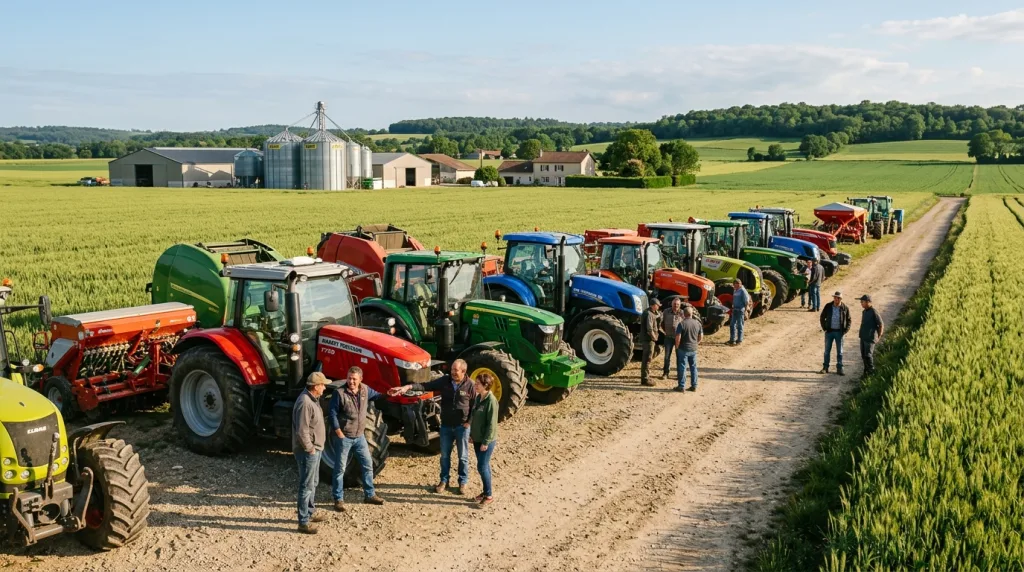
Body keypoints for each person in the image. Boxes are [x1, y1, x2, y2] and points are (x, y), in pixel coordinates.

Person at [390, 359, 478, 494]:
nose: (453, 372)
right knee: (444, 456)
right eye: (452, 369)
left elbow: (475, 406)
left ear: (464, 371)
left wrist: (469, 423)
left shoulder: (470, 385)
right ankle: (444, 481)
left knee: (463, 457)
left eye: (456, 370)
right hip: (447, 426)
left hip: (462, 427)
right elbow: (426, 386)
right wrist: (407, 387)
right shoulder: (445, 381)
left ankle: (463, 482)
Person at [327, 366, 386, 511]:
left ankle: (369, 495)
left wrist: (389, 393)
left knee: (367, 465)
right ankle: (338, 499)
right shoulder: (339, 393)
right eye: (349, 378)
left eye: (354, 379)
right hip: (344, 437)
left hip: (360, 438)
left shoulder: (365, 390)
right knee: (340, 469)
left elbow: (377, 396)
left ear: (360, 379)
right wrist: (338, 432)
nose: (351, 381)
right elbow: (332, 413)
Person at [292, 372, 329, 534]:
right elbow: (302, 430)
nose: (325, 387)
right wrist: (310, 448)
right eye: (323, 385)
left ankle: (310, 512)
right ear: (315, 387)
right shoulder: (305, 402)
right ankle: (303, 522)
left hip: (316, 448)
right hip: (309, 451)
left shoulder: (312, 399)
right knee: (306, 485)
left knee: (313, 482)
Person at [470, 372, 499, 505]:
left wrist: (486, 442)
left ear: (485, 385)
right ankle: (485, 491)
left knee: (482, 466)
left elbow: (492, 424)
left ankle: (488, 496)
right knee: (483, 466)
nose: (475, 385)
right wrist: (472, 434)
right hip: (477, 439)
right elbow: (475, 417)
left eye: (478, 384)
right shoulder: (478, 398)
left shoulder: (491, 402)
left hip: (485, 441)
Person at [819, 291, 852, 375]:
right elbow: (822, 317)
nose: (835, 299)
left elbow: (849, 320)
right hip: (829, 332)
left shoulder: (845, 308)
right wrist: (824, 328)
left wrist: (845, 331)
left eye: (837, 298)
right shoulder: (828, 306)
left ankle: (840, 368)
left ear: (840, 299)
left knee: (839, 351)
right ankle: (825, 367)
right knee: (827, 351)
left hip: (839, 333)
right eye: (834, 297)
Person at [674, 306, 703, 392]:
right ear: (692, 314)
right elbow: (701, 336)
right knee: (693, 367)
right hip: (693, 348)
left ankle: (681, 386)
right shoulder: (698, 323)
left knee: (682, 367)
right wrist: (696, 343)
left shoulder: (681, 324)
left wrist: (677, 346)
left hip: (683, 348)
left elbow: (678, 337)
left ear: (684, 314)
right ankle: (694, 385)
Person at [858, 294, 884, 374]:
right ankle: (866, 372)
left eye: (862, 301)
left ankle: (871, 372)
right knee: (863, 356)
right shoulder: (864, 311)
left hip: (870, 338)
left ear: (868, 302)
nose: (861, 303)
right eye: (861, 301)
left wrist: (878, 336)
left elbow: (881, 324)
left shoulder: (874, 311)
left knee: (868, 356)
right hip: (863, 337)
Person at [638, 298, 662, 387]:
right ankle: (645, 379)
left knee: (647, 358)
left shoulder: (650, 312)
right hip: (648, 340)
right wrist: (654, 338)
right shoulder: (648, 314)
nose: (658, 307)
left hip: (649, 339)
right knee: (647, 359)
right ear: (653, 305)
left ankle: (646, 377)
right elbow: (649, 329)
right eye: (657, 305)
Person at [661, 298, 685, 379]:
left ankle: (679, 374)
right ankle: (665, 373)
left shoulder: (682, 313)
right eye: (674, 304)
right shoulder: (666, 312)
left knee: (679, 356)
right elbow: (662, 323)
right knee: (667, 356)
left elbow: (685, 325)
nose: (676, 306)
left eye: (677, 304)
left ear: (680, 305)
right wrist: (665, 331)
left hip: (678, 338)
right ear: (671, 304)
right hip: (668, 337)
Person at [728, 278, 751, 346]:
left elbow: (746, 301)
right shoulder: (735, 290)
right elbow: (734, 299)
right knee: (732, 325)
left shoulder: (743, 291)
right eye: (735, 284)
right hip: (734, 309)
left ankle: (739, 340)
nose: (736, 286)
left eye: (737, 284)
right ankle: (732, 339)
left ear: (740, 284)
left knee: (740, 325)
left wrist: (746, 310)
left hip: (740, 310)